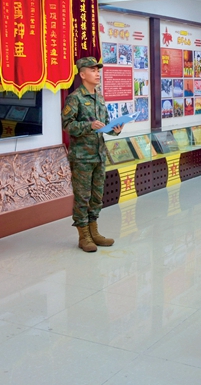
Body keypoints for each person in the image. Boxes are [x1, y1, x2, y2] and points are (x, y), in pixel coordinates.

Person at [62, 57, 122, 253]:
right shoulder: (75, 98)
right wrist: (89, 125)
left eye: (98, 70)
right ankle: (84, 236)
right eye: (93, 70)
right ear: (82, 74)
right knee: (83, 197)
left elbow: (103, 124)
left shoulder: (100, 97)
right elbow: (67, 125)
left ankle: (94, 231)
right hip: (82, 157)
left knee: (97, 197)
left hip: (99, 155)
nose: (97, 74)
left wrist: (115, 129)